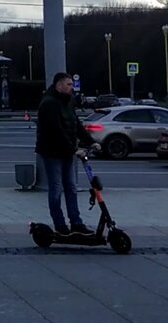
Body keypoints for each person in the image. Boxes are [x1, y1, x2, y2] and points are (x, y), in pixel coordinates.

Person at [36, 72, 97, 235]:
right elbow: (55, 131)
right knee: (56, 188)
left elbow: (76, 125)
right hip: (52, 151)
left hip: (66, 152)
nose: (72, 88)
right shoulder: (49, 103)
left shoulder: (68, 102)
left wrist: (91, 142)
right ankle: (60, 224)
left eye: (72, 84)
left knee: (71, 187)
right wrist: (73, 149)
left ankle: (76, 223)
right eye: (69, 85)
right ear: (59, 85)